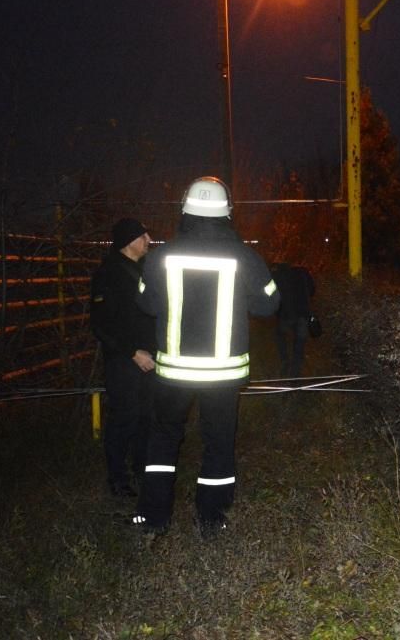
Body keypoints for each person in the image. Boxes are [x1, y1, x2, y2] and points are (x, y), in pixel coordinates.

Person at [133, 177, 280, 538]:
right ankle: (211, 521)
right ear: (227, 212)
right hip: (222, 375)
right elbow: (269, 304)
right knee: (217, 443)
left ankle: (154, 518)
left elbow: (145, 303)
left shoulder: (161, 256)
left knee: (164, 438)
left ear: (184, 210)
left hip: (173, 374)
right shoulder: (244, 255)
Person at [90, 218, 156, 498]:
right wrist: (132, 352)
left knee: (147, 418)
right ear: (129, 241)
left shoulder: (144, 270)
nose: (149, 240)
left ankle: (142, 470)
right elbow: (102, 323)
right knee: (124, 419)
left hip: (149, 359)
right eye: (143, 236)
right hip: (123, 362)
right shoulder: (109, 273)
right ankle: (118, 479)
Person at [271, 262, 315, 378]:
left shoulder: (276, 276)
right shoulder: (303, 274)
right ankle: (295, 371)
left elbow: (272, 295)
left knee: (280, 335)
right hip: (303, 313)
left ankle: (285, 360)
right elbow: (312, 290)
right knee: (299, 342)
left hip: (285, 314)